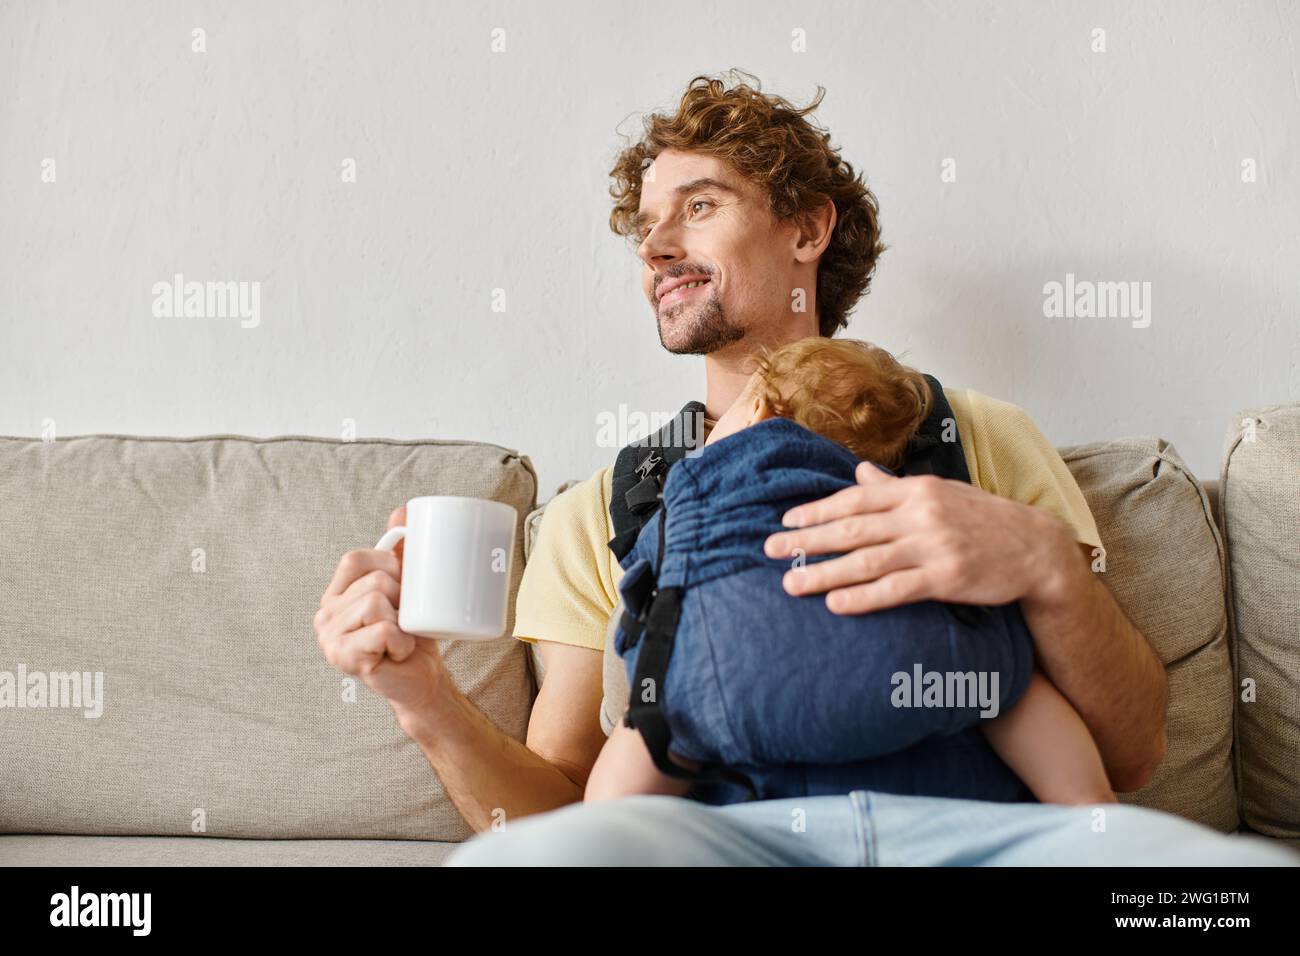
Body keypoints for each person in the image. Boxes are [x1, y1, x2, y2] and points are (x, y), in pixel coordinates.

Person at [315, 71, 1298, 865]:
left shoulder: (979, 434)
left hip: (980, 836)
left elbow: (1129, 752)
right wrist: (424, 699)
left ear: (806, 230)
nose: (656, 247)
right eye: (646, 229)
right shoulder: (601, 508)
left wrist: (1041, 564)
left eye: (697, 206)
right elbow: (565, 816)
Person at [584, 337, 1116, 808]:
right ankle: (1089, 805)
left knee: (657, 728)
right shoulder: (908, 498)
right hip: (927, 666)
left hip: (728, 674)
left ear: (759, 408)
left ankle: (605, 830)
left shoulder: (693, 487)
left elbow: (650, 596)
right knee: (1008, 689)